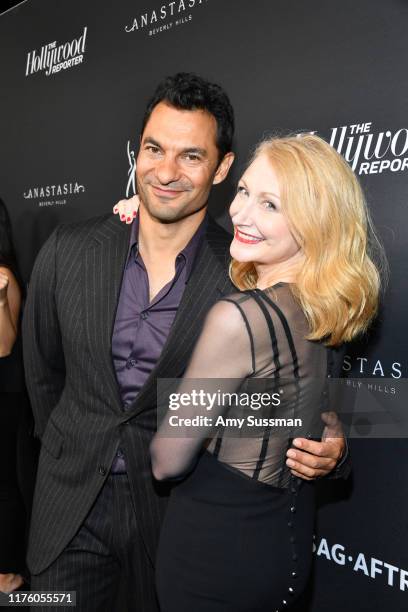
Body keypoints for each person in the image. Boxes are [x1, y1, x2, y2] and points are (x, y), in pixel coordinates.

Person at [23, 74, 347, 611]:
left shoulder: (249, 275)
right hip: (67, 515)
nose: (166, 172)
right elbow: (40, 378)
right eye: (154, 149)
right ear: (138, 152)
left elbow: (303, 396)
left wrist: (334, 447)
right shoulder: (69, 250)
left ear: (222, 168)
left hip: (176, 528)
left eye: (191, 156)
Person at [148, 134, 381, 611]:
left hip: (214, 556)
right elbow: (293, 415)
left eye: (270, 204)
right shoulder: (325, 312)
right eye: (244, 191)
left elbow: (166, 460)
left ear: (314, 224)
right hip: (285, 550)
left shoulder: (239, 318)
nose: (241, 213)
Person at [0, 199, 27, 593]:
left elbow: (4, 345)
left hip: (3, 392)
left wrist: (2, 300)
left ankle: (6, 571)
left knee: (2, 481)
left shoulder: (3, 274)